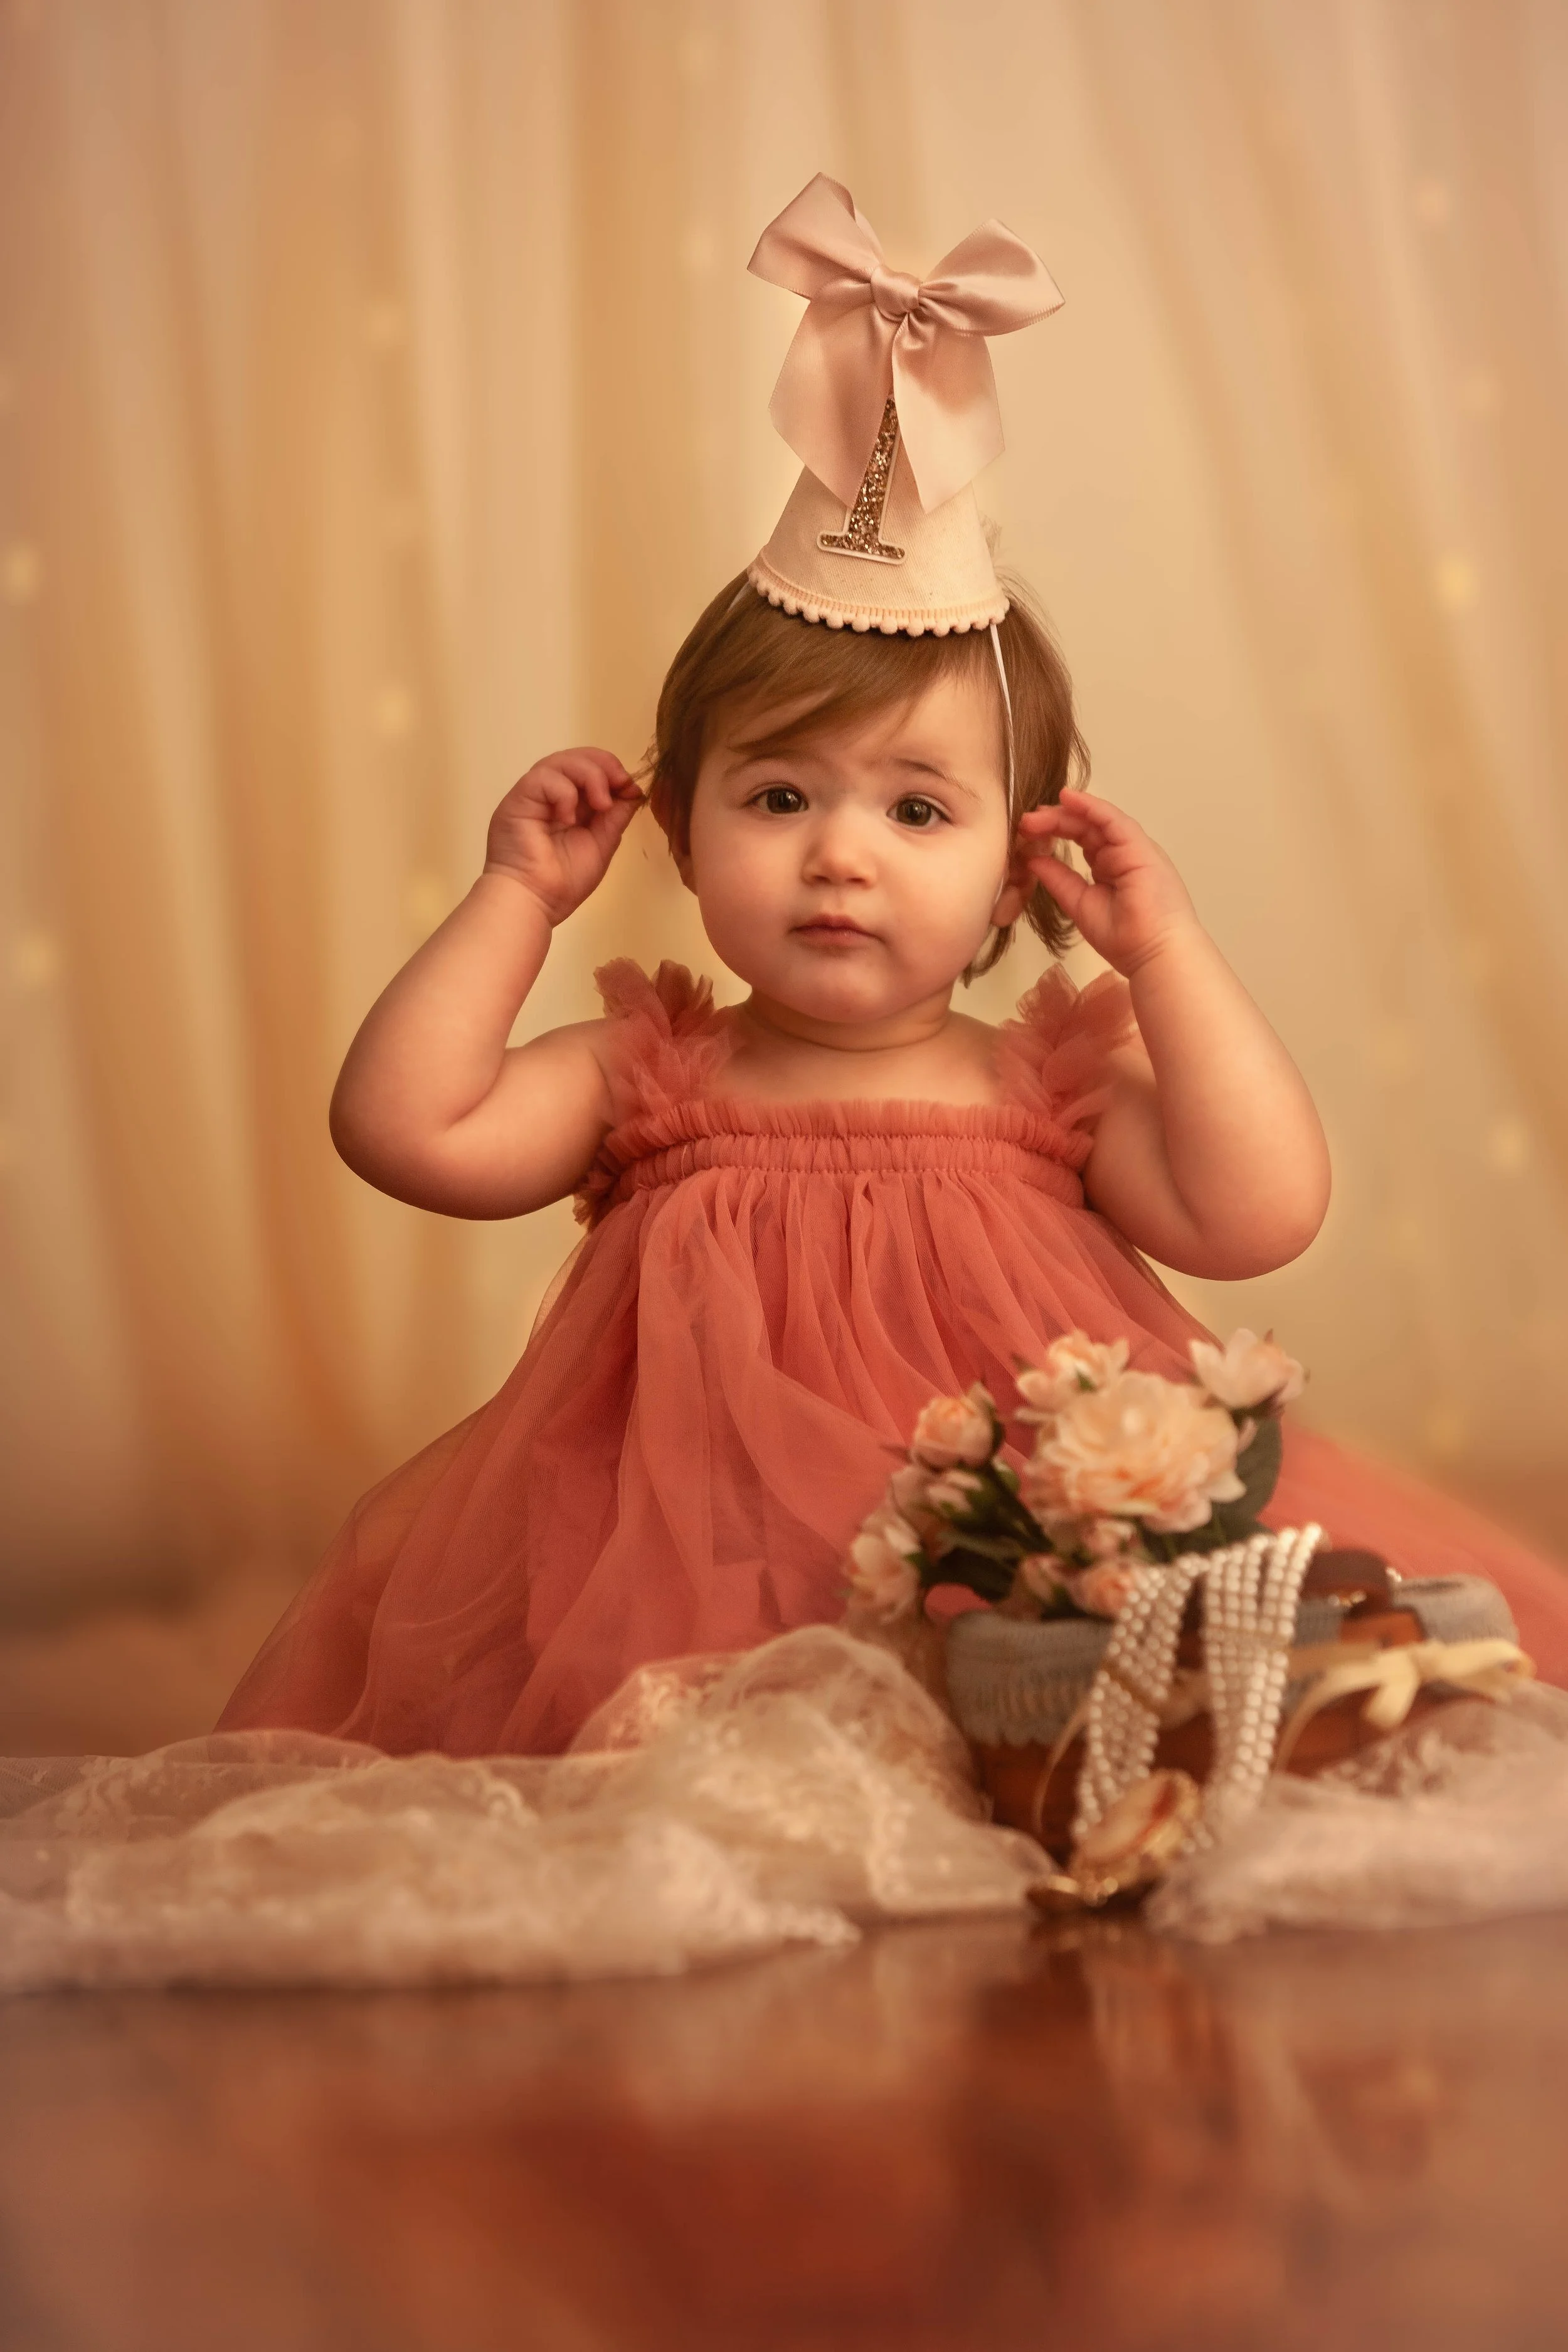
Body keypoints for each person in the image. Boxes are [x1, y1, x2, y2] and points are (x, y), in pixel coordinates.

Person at [218, 175, 1568, 1759]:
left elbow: (1253, 1213)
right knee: (685, 1767)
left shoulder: (1041, 1088)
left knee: (1260, 1681)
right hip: (698, 1586)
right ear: (677, 821)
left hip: (1018, 1579)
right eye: (777, 796)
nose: (837, 854)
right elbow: (408, 1130)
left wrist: (1172, 957)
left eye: (916, 810)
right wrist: (517, 897)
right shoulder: (654, 1077)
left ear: (1016, 875)